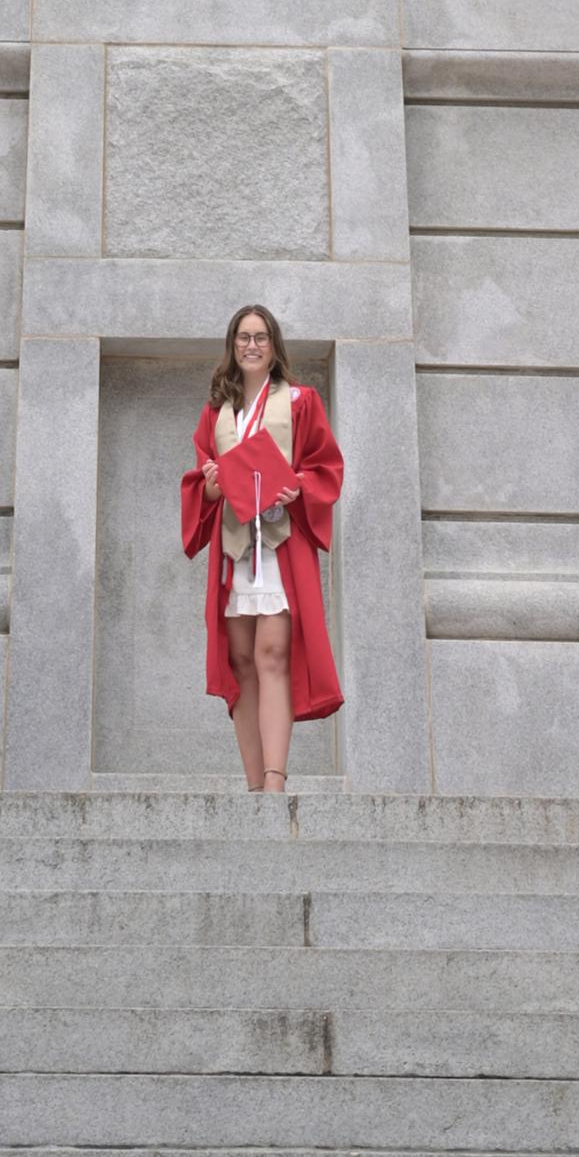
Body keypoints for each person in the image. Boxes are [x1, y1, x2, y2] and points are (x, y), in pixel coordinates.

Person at [179, 300, 344, 790]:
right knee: (243, 661)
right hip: (235, 547)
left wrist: (299, 487)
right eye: (243, 338)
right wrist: (210, 482)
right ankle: (253, 785)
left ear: (274, 348)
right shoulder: (217, 413)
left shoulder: (300, 402)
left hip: (278, 542)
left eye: (261, 337)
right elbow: (201, 482)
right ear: (233, 348)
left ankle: (275, 782)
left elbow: (325, 467)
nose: (251, 345)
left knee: (273, 652)